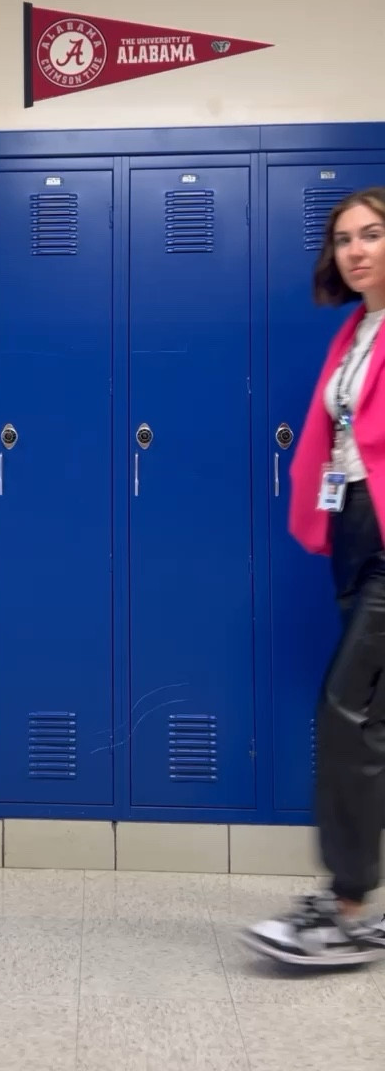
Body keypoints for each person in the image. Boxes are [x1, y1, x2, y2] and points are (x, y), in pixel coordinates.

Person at [243, 187, 385, 966]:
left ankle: (346, 903)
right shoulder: (356, 329)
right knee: (375, 721)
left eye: (371, 234)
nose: (355, 250)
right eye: (342, 240)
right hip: (355, 532)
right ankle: (353, 898)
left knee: (346, 710)